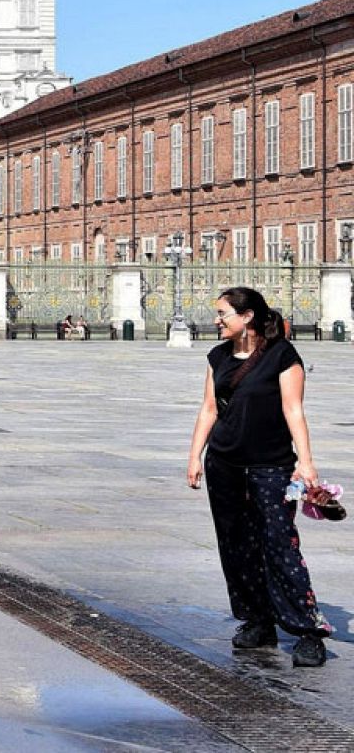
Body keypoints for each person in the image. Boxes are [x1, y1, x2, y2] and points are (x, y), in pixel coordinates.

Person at [186, 286, 330, 667]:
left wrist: (307, 461)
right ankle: (258, 620)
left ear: (247, 316)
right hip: (224, 464)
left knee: (280, 545)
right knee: (235, 545)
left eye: (222, 314)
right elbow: (208, 409)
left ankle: (307, 630)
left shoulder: (281, 355)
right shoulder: (217, 356)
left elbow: (293, 410)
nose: (217, 320)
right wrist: (195, 456)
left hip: (271, 465)